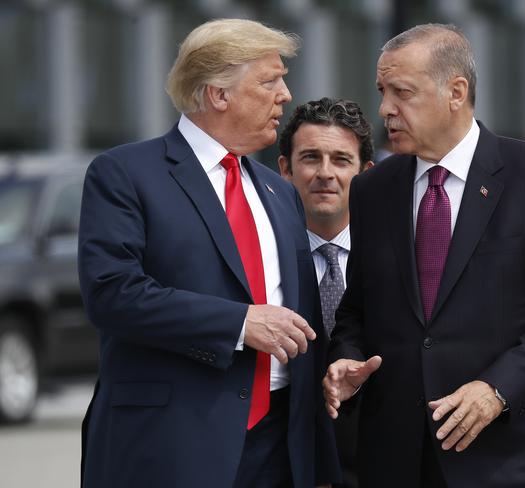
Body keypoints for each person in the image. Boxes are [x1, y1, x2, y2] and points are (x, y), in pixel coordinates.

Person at [323, 23, 525, 487]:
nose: (384, 109)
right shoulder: (373, 190)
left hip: (506, 459)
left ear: (456, 92)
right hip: (395, 461)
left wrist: (498, 389)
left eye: (401, 92)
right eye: (382, 91)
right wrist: (346, 359)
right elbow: (358, 308)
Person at [78, 18, 339, 488]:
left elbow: (301, 318)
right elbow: (112, 294)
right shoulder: (124, 173)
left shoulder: (279, 195)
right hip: (172, 445)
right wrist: (240, 323)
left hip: (280, 449)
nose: (285, 94)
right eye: (270, 80)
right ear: (219, 94)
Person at [278, 97, 374, 488]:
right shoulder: (262, 256)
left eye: (340, 159)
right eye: (310, 157)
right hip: (285, 462)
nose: (325, 173)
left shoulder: (396, 254)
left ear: (365, 172)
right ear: (285, 169)